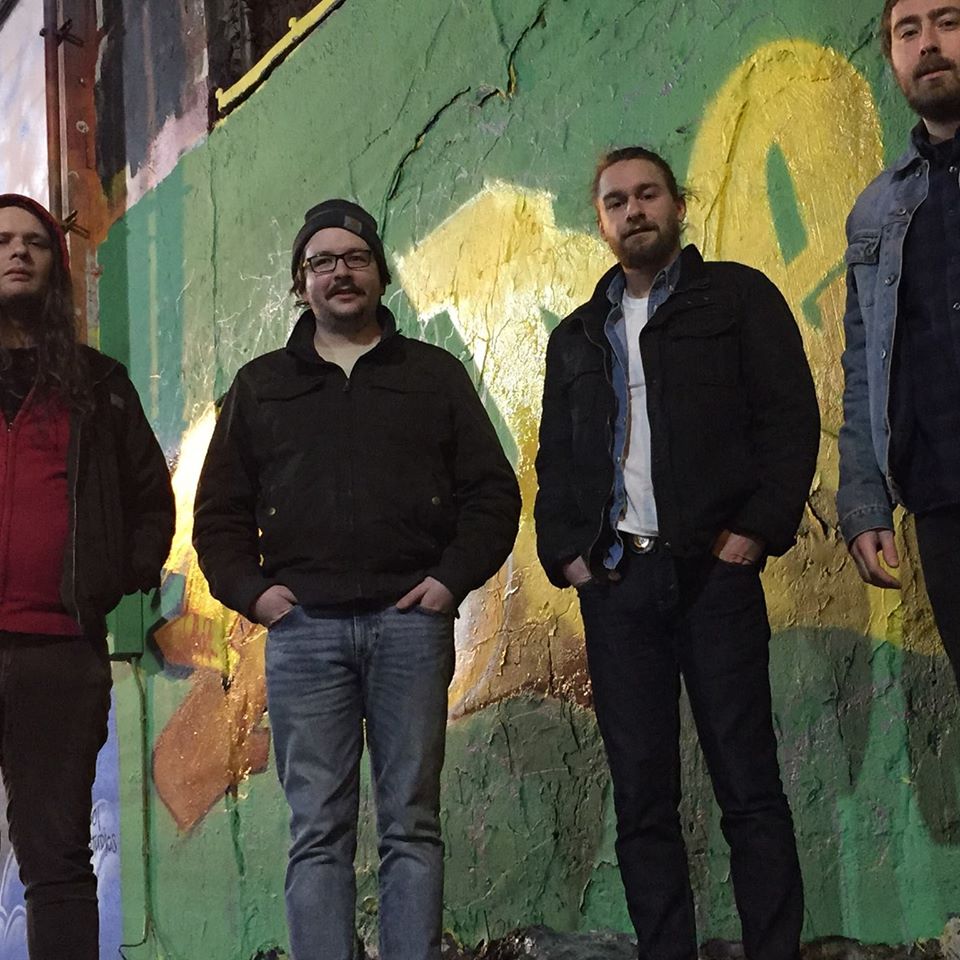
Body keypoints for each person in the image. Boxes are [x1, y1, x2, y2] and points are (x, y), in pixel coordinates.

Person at [193, 199, 520, 960]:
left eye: (355, 258)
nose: (340, 272)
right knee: (318, 830)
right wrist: (254, 593)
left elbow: (492, 495)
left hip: (411, 628)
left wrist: (449, 582)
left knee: (412, 823)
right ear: (300, 282)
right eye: (322, 261)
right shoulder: (261, 386)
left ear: (379, 273)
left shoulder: (433, 376)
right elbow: (219, 515)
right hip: (304, 634)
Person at [534, 148, 820, 960]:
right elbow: (556, 462)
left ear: (679, 204)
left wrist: (753, 532)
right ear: (600, 221)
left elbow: (789, 419)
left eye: (647, 194)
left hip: (714, 579)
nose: (633, 211)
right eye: (615, 201)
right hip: (618, 585)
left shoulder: (736, 298)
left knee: (749, 789)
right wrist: (570, 557)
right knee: (642, 802)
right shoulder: (576, 337)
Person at [0, 193, 174, 960]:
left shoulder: (99, 385)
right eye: (2, 241)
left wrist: (113, 577)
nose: (17, 252)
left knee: (57, 859)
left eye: (34, 242)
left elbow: (151, 501)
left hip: (59, 651)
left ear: (55, 266)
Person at [838, 0, 960, 688]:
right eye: (908, 31)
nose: (928, 43)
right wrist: (864, 501)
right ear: (892, 58)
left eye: (948, 22)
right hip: (943, 502)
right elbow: (865, 366)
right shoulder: (877, 211)